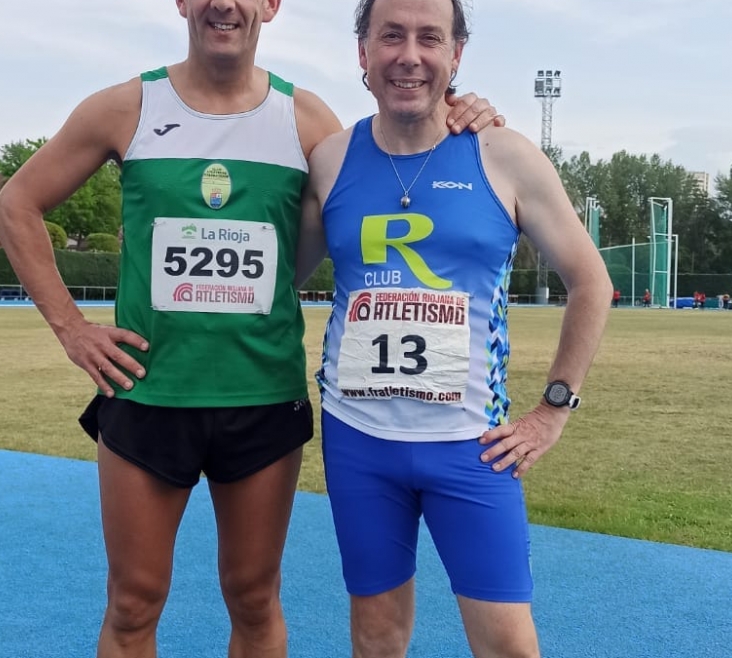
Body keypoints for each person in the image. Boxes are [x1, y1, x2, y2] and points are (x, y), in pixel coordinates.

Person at [0, 2, 505, 656]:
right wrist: (70, 328)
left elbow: (403, 160)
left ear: (271, 5)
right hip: (149, 398)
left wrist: (461, 110)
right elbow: (16, 206)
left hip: (262, 401)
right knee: (131, 604)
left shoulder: (307, 121)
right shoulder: (125, 108)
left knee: (255, 598)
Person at [295, 0, 613, 655]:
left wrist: (553, 408)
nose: (409, 55)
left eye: (429, 38)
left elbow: (592, 282)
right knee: (376, 635)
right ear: (362, 52)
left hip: (472, 444)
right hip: (359, 442)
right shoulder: (329, 160)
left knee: (507, 645)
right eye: (391, 36)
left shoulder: (505, 156)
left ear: (456, 54)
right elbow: (281, 278)